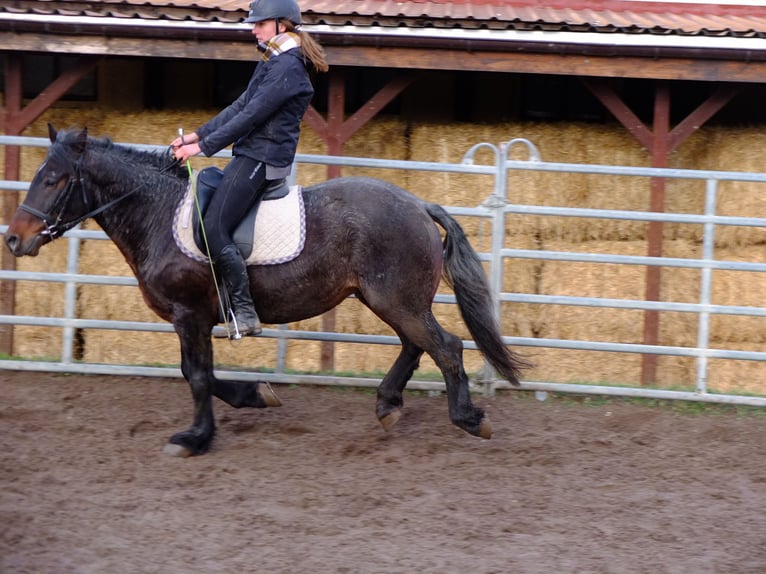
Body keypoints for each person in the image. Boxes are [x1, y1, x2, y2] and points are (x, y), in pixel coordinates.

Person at [171, 0, 328, 337]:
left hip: (263, 160)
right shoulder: (273, 61)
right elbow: (240, 105)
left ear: (281, 25)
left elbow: (251, 117)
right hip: (251, 155)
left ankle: (243, 310)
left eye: (260, 23)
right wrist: (197, 135)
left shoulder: (288, 68)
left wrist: (201, 148)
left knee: (213, 227)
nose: (253, 29)